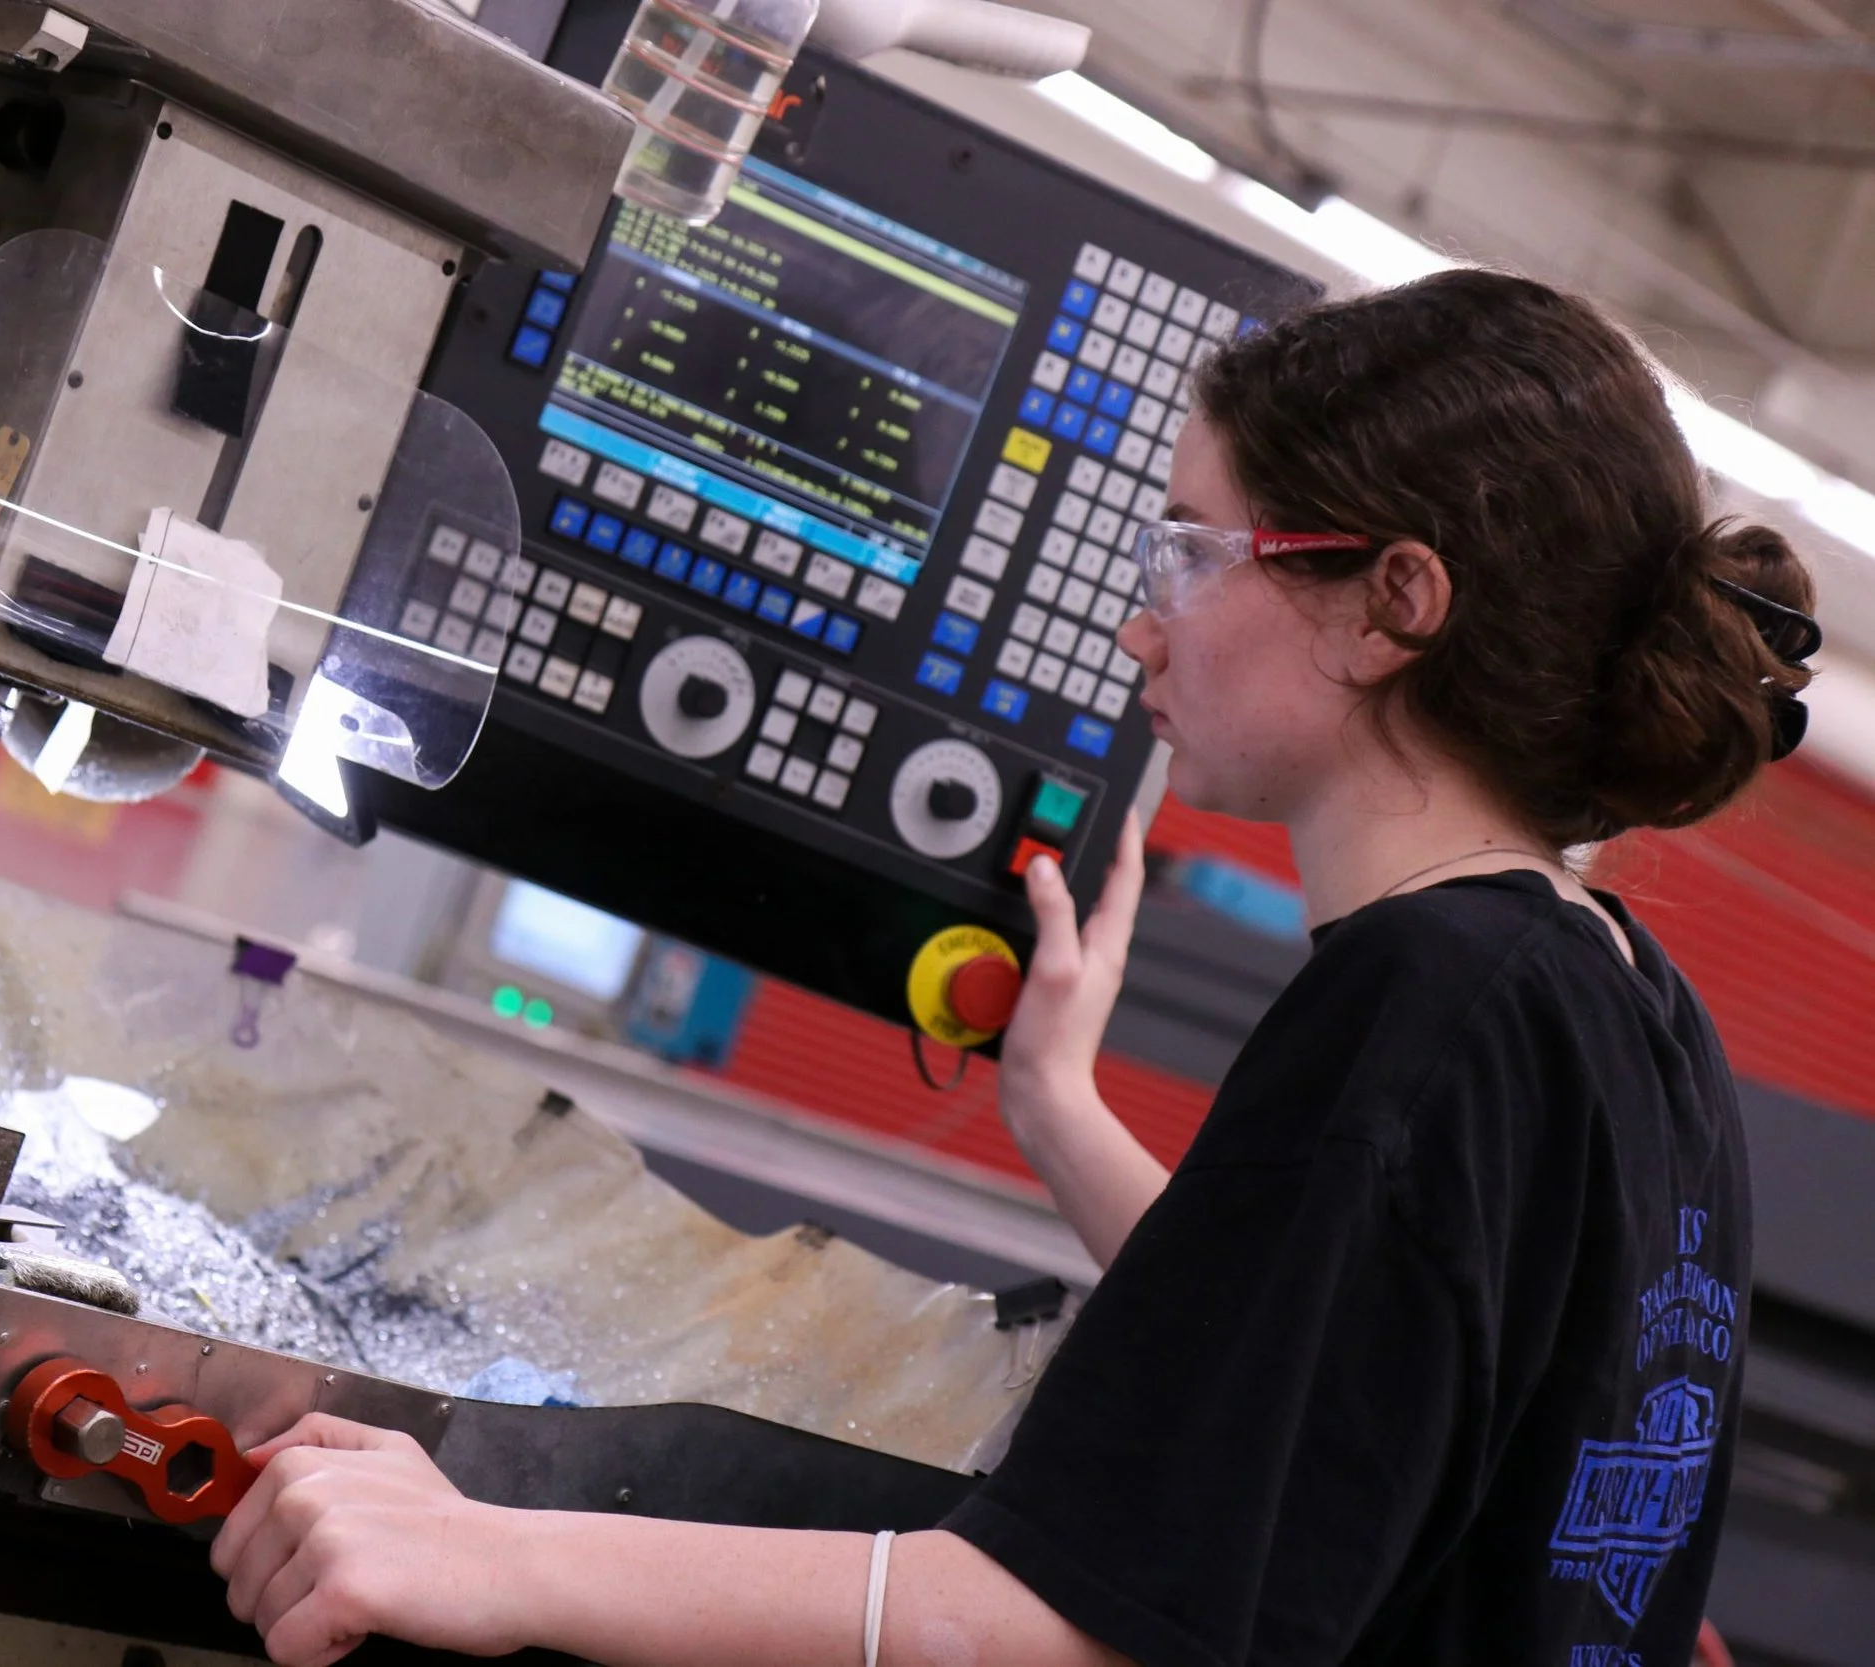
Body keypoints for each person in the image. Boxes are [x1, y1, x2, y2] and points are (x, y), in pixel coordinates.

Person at [204, 269, 1815, 1667]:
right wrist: (1053, 1098)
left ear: (1395, 600)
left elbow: (1078, 1626)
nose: (1143, 627)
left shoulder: (1428, 997)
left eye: (1197, 553)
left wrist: (488, 1551)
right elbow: (1328, 1375)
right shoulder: (1621, 1000)